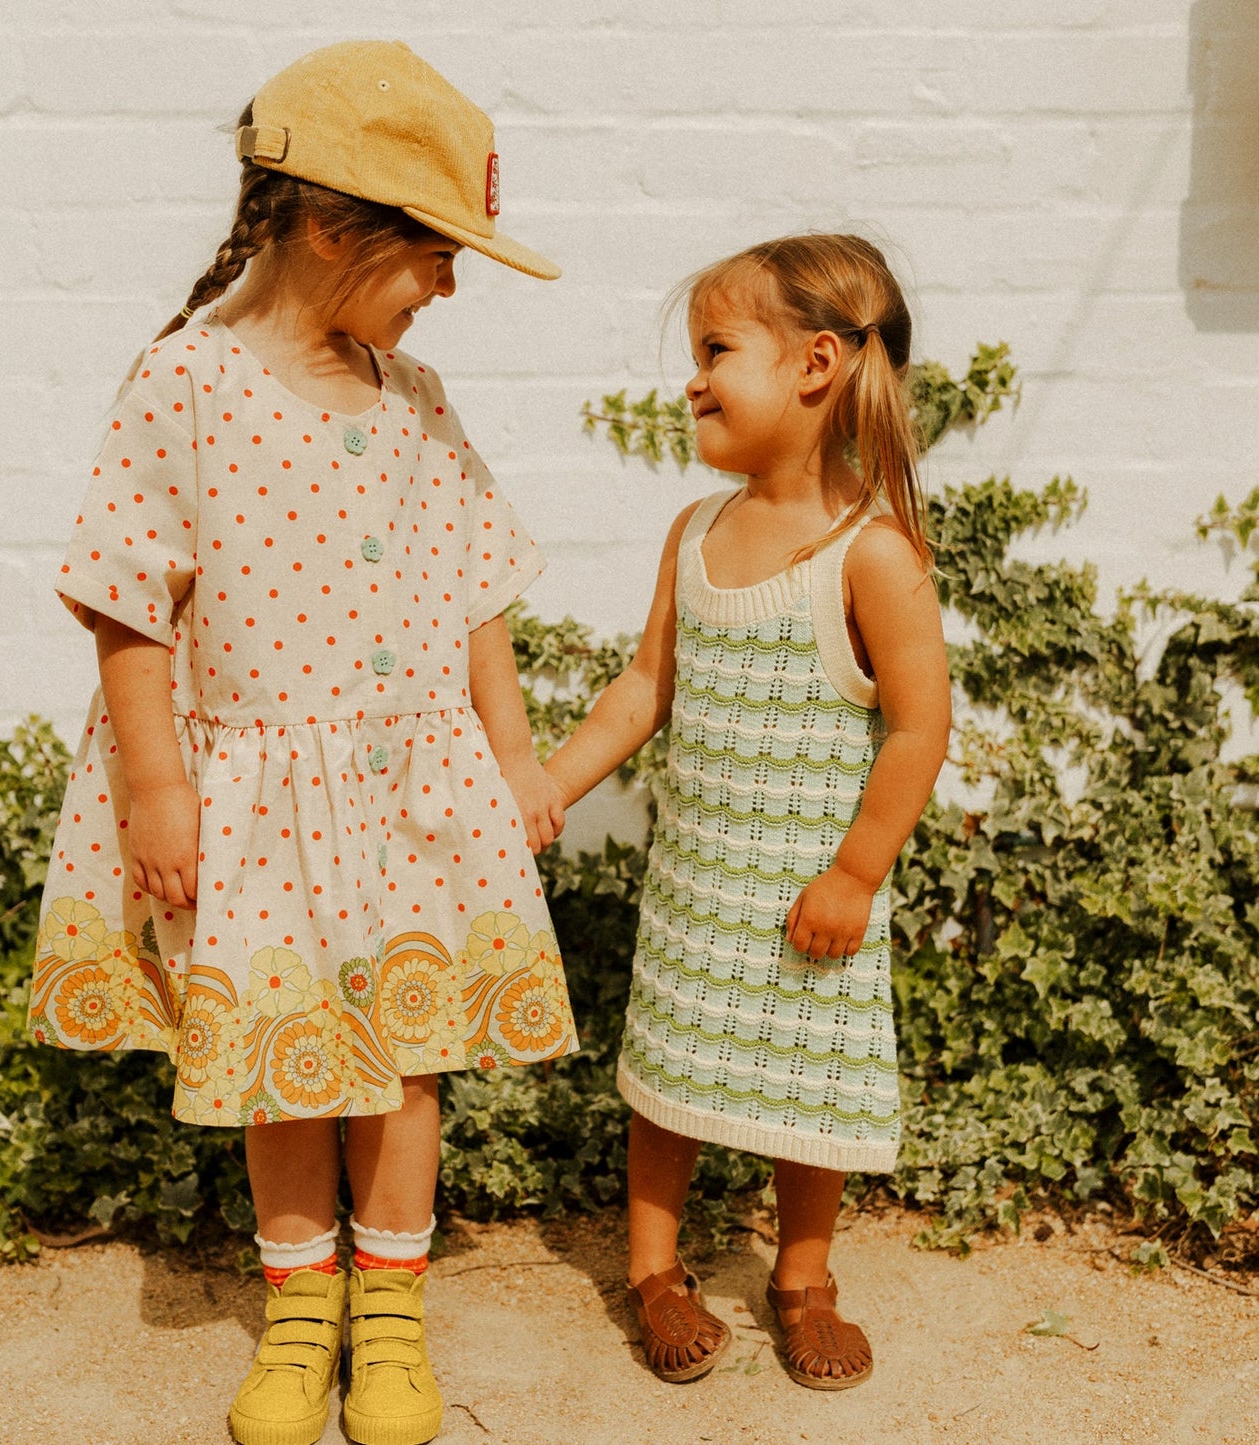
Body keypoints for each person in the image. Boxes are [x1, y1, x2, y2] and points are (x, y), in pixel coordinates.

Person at [28, 40, 573, 1445]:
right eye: (434, 253)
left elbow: (476, 595)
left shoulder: (416, 401)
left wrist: (513, 759)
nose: (447, 287)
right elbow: (127, 601)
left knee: (402, 1056)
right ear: (334, 227)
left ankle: (390, 1314)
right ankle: (300, 1309)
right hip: (254, 789)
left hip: (407, 789)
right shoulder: (186, 385)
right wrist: (157, 787)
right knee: (281, 1056)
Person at [545, 234, 950, 1390]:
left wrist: (856, 873)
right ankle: (654, 1271)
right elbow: (643, 688)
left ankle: (802, 1281)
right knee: (667, 1076)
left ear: (815, 363)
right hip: (698, 889)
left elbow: (918, 727)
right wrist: (550, 783)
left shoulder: (870, 555)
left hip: (808, 892)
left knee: (805, 1091)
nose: (691, 378)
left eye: (715, 350)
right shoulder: (694, 532)